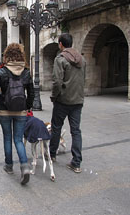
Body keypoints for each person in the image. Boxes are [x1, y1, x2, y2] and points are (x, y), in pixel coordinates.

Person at [0, 43, 34, 185]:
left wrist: (3, 99)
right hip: (21, 111)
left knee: (7, 138)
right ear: (21, 55)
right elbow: (32, 93)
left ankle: (9, 166)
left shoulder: (2, 72)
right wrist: (26, 106)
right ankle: (25, 166)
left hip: (4, 111)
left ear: (7, 56)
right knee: (18, 139)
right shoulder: (26, 72)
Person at [49, 33, 86, 173]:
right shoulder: (82, 59)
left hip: (63, 100)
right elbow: (84, 79)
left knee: (56, 127)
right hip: (78, 100)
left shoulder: (60, 59)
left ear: (60, 44)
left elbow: (57, 81)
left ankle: (52, 154)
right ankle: (76, 163)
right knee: (76, 131)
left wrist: (54, 96)